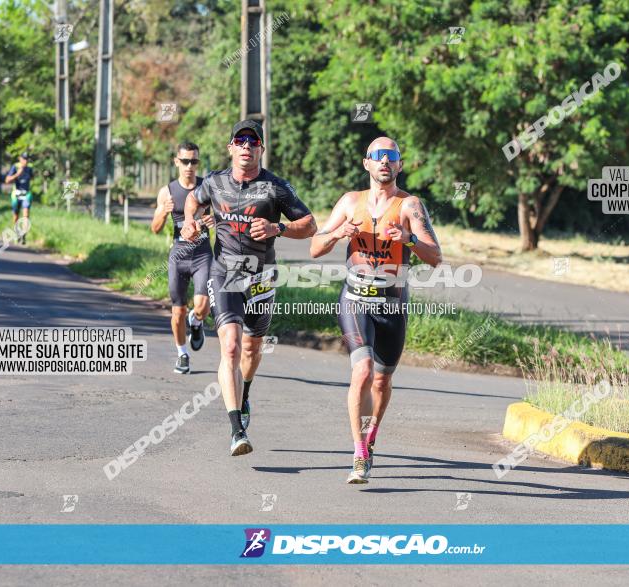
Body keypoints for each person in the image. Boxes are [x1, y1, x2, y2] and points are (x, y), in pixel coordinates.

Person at [310, 137, 442, 483]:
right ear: (366, 163)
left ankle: (370, 440)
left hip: (392, 303)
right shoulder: (350, 202)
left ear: (399, 165)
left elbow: (436, 257)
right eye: (378, 156)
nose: (385, 161)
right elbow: (314, 248)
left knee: (382, 380)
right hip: (355, 299)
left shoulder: (410, 206)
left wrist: (408, 239)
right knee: (363, 371)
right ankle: (357, 453)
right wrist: (339, 232)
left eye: (392, 156)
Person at [181, 120, 316, 456]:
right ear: (230, 148)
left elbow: (310, 224)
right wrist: (189, 222)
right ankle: (236, 429)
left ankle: (246, 393)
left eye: (252, 142)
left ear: (261, 149)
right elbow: (192, 202)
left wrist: (278, 228)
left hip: (261, 275)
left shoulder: (275, 187)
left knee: (252, 352)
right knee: (230, 347)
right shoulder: (214, 182)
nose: (246, 146)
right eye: (240, 141)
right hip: (224, 270)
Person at [150, 141, 213, 375]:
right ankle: (182, 354)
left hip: (203, 253)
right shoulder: (166, 192)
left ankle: (196, 324)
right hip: (178, 254)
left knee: (202, 306)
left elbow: (221, 217)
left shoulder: (207, 187)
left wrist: (213, 221)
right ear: (177, 162)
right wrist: (162, 211)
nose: (189, 166)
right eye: (185, 161)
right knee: (178, 311)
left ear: (198, 162)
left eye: (193, 161)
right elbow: (155, 228)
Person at [5, 152, 34, 244]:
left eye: (27, 159)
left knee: (26, 215)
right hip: (16, 194)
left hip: (26, 194)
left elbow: (32, 178)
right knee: (16, 216)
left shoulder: (30, 168)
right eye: (24, 159)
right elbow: (7, 180)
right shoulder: (15, 166)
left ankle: (23, 235)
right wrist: (17, 174)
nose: (25, 161)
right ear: (20, 159)